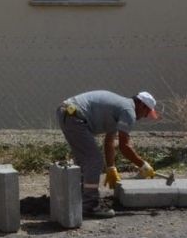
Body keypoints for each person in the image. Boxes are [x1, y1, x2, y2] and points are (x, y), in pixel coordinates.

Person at [57, 90, 161, 219]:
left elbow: (109, 142)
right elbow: (124, 146)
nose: (145, 116)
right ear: (141, 105)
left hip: (68, 112)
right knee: (94, 160)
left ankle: (77, 201)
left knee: (85, 161)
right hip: (74, 116)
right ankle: (90, 206)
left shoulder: (120, 108)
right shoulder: (128, 111)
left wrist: (111, 167)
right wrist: (143, 165)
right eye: (147, 112)